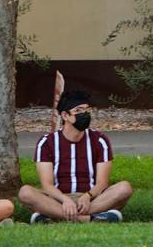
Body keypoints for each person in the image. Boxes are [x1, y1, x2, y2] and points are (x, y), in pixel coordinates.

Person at [18, 89, 133, 223]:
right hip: (58, 199)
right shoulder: (47, 142)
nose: (84, 114)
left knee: (124, 188)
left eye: (87, 110)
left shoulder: (100, 140)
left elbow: (102, 183)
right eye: (78, 110)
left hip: (91, 199)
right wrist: (65, 200)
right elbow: (47, 185)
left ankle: (54, 216)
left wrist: (87, 196)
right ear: (65, 115)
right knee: (25, 193)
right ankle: (91, 219)